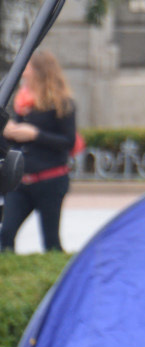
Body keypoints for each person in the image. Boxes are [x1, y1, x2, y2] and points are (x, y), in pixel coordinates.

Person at [1, 50, 77, 253]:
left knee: (50, 240)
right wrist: (9, 132)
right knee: (5, 233)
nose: (23, 72)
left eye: (27, 67)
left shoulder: (62, 103)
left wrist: (36, 134)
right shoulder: (21, 101)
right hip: (21, 182)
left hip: (50, 180)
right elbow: (13, 142)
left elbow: (68, 142)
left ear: (39, 71)